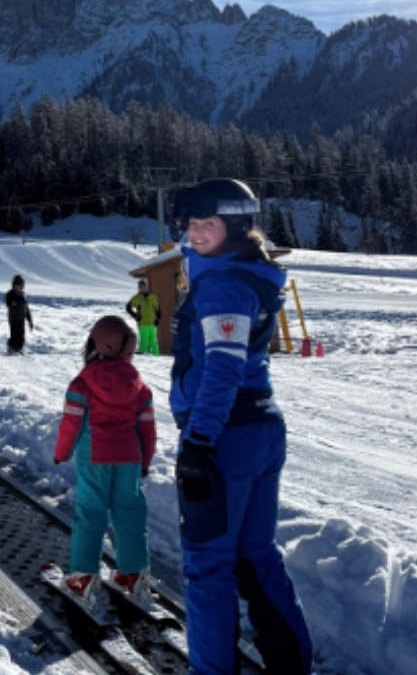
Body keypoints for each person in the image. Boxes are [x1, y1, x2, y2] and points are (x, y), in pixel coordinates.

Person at [169, 178, 313, 675]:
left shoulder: (225, 284)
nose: (195, 232)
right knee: (255, 556)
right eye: (191, 222)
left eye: (207, 223)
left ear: (233, 227)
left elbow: (223, 368)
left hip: (224, 437)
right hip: (258, 426)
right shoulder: (243, 273)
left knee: (209, 568)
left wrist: (200, 441)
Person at [53, 315, 156, 605]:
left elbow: (71, 424)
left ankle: (84, 576)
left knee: (91, 512)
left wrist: (61, 454)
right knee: (131, 513)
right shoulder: (141, 388)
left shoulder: (82, 383)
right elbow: (147, 430)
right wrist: (145, 462)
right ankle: (133, 573)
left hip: (95, 457)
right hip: (131, 459)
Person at [125, 278, 161, 355]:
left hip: (152, 323)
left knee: (153, 341)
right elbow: (128, 307)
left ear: (147, 287)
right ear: (139, 288)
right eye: (141, 286)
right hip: (143, 322)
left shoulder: (152, 297)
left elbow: (157, 309)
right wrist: (135, 316)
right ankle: (144, 357)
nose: (143, 288)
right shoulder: (137, 298)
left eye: (144, 286)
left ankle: (156, 357)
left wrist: (158, 319)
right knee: (144, 340)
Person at [5, 274, 34, 354]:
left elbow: (26, 309)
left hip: (21, 319)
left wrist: (30, 321)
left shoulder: (23, 296)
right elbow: (8, 303)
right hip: (13, 318)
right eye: (16, 286)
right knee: (14, 334)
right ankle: (11, 349)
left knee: (21, 336)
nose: (18, 288)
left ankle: (19, 349)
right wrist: (15, 302)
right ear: (13, 285)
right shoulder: (10, 294)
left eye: (20, 286)